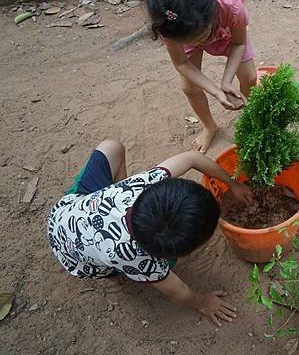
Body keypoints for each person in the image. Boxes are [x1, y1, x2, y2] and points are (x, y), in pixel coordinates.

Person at [47, 140, 253, 326]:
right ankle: (112, 272)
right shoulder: (138, 260)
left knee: (112, 147)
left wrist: (233, 184)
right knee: (160, 270)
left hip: (69, 212)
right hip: (77, 257)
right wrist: (202, 302)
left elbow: (193, 158)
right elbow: (179, 293)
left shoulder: (143, 185)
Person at [146, 0, 257, 153]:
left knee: (249, 77)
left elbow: (239, 44)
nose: (201, 43)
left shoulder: (230, 6)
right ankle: (210, 126)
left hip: (226, 32)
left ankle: (249, 114)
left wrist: (226, 80)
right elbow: (181, 63)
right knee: (189, 87)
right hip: (193, 28)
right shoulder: (170, 26)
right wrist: (216, 91)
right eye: (192, 40)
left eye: (202, 36)